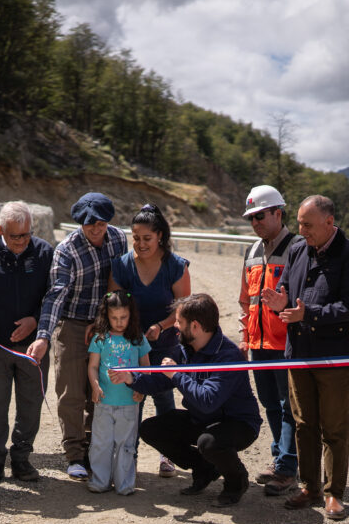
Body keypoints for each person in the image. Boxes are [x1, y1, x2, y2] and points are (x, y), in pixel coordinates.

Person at [261, 195, 349, 520]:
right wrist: (279, 300)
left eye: (307, 224)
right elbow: (285, 286)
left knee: (334, 428)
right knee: (305, 425)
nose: (301, 229)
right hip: (299, 354)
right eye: (301, 223)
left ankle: (334, 493)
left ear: (329, 222)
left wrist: (309, 314)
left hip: (334, 358)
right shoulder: (297, 249)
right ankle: (310, 487)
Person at [113, 294, 262, 507]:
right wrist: (131, 378)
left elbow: (207, 400)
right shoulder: (186, 348)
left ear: (195, 326)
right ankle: (204, 468)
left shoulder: (228, 356)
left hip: (238, 423)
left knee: (209, 443)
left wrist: (176, 374)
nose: (175, 327)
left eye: (179, 323)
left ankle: (236, 481)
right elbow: (159, 381)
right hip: (203, 419)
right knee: (151, 428)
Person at [28, 193, 128, 481]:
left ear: (108, 221)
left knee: (102, 390)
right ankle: (74, 453)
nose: (94, 229)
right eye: (87, 224)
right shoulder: (67, 250)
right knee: (71, 392)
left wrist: (108, 323)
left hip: (106, 327)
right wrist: (44, 336)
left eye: (99, 223)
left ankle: (96, 450)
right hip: (71, 325)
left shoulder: (119, 240)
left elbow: (122, 283)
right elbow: (56, 296)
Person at [0, 202, 53, 485]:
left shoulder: (44, 253)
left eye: (26, 235)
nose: (21, 242)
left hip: (33, 349)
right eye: (15, 236)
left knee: (30, 405)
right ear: (0, 230)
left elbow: (53, 297)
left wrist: (35, 321)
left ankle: (22, 458)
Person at [109, 203, 191, 478]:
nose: (140, 244)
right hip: (130, 343)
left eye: (147, 238)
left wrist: (161, 326)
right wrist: (130, 332)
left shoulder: (175, 266)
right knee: (133, 398)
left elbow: (183, 307)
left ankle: (167, 454)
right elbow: (115, 303)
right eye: (135, 237)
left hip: (165, 341)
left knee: (164, 397)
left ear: (160, 237)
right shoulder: (121, 265)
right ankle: (128, 456)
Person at [238, 184, 300, 495]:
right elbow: (245, 300)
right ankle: (280, 459)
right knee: (270, 405)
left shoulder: (298, 248)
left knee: (289, 406)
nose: (255, 223)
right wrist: (244, 332)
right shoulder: (251, 251)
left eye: (260, 216)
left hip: (286, 345)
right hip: (258, 345)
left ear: (278, 213)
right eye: (251, 218)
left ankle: (288, 468)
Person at [87, 291, 151, 495]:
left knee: (126, 444)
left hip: (129, 402)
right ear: (106, 316)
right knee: (101, 443)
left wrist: (141, 389)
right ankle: (100, 481)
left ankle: (124, 484)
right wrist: (95, 386)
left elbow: (146, 368)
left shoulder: (138, 339)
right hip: (104, 401)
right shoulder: (100, 338)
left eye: (123, 317)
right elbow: (93, 366)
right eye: (114, 318)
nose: (119, 322)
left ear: (131, 315)